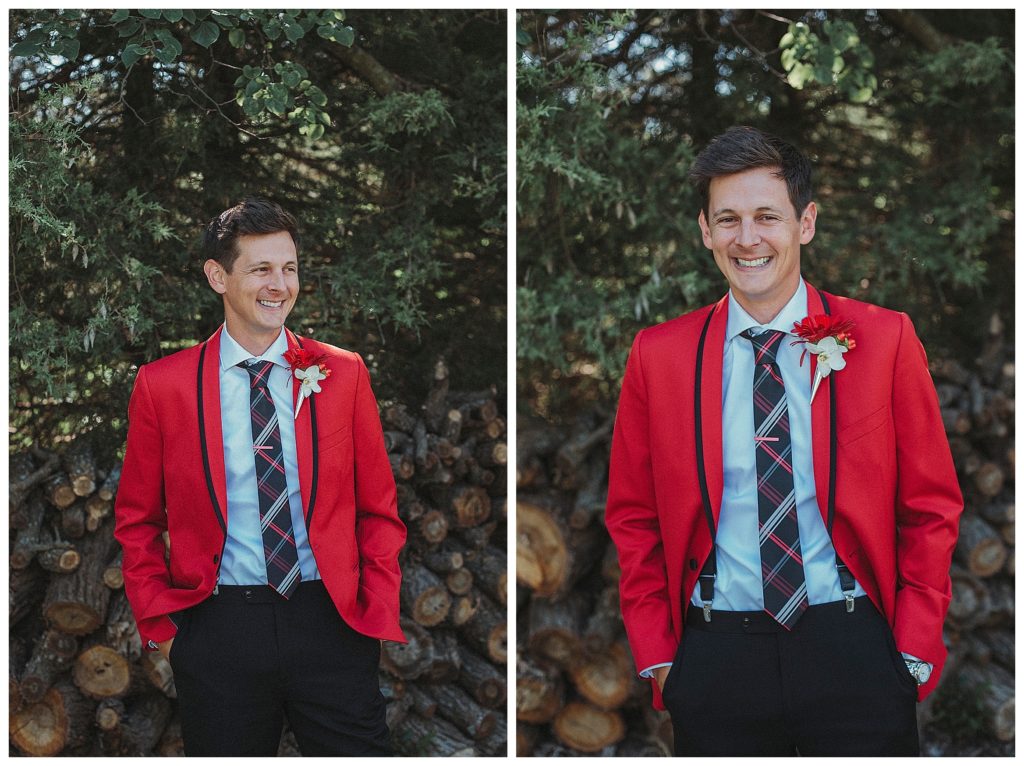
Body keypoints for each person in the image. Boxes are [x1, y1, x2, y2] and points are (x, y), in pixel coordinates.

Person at [605, 127, 963, 756]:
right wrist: (662, 658)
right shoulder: (658, 356)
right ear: (705, 231)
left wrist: (911, 648)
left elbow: (931, 504)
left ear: (806, 222)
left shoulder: (884, 341)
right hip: (716, 661)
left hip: (856, 650)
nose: (748, 238)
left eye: (767, 216)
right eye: (728, 219)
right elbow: (633, 516)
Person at [114, 198, 406, 756]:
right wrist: (169, 635)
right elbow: (137, 521)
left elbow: (378, 509)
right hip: (218, 630)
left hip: (331, 623)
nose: (280, 285)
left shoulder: (342, 374)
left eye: (290, 267)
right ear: (217, 276)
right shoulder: (163, 386)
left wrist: (373, 610)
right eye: (262, 269)